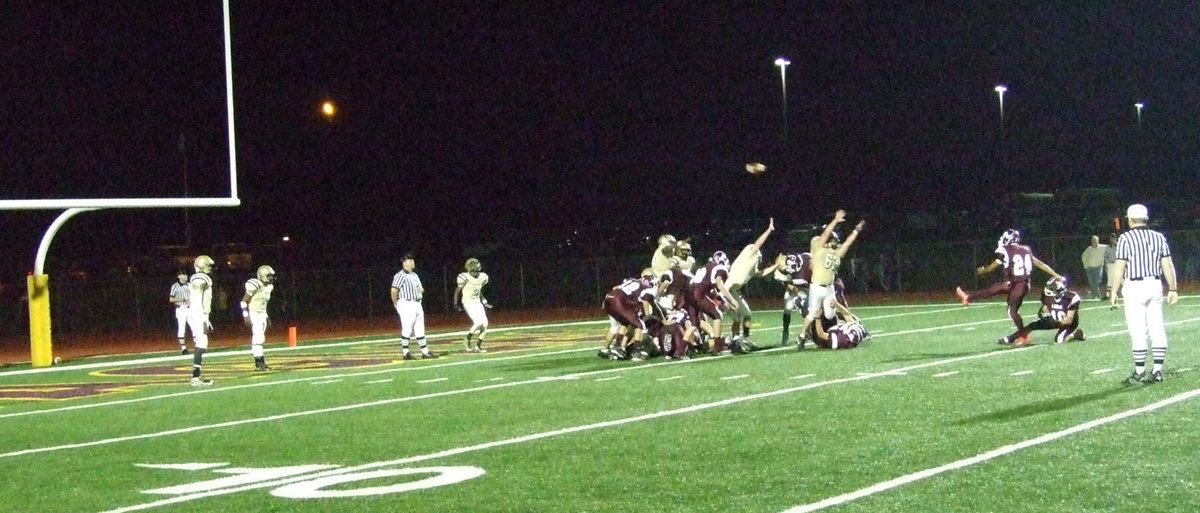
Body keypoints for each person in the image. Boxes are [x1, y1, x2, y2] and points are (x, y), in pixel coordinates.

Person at [956, 229, 1062, 346]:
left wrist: (983, 270)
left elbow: (993, 266)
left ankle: (1024, 336)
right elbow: (1041, 264)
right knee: (995, 288)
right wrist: (1056, 275)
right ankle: (968, 298)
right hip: (1020, 283)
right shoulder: (1026, 250)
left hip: (1019, 284)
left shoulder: (1007, 251)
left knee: (1012, 311)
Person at [1110, 204, 1178, 384]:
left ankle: (1139, 372)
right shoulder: (1158, 237)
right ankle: (1157, 370)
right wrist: (1172, 288)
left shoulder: (1125, 238)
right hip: (1154, 283)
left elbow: (1119, 266)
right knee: (1157, 328)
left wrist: (1114, 290)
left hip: (1134, 285)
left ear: (1130, 219)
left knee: (1138, 331)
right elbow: (1167, 265)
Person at [798, 209, 866, 349]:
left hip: (829, 288)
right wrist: (835, 220)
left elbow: (847, 243)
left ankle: (832, 334)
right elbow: (825, 235)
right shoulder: (819, 249)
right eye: (833, 240)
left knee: (829, 314)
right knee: (812, 314)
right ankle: (802, 336)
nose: (835, 242)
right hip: (816, 286)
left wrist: (856, 231)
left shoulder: (837, 253)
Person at [725, 218, 783, 349]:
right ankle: (731, 340)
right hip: (726, 288)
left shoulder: (751, 266)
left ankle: (743, 338)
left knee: (746, 315)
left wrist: (777, 265)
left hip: (734, 291)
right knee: (737, 317)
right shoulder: (749, 254)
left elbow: (761, 273)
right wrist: (769, 230)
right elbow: (758, 244)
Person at [1000, 276, 1085, 345]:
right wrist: (1042, 312)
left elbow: (1069, 320)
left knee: (1058, 341)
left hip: (1069, 323)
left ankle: (1076, 335)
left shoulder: (1071, 298)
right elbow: (1047, 304)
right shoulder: (1048, 296)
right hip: (1054, 318)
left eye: (1052, 288)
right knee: (1033, 325)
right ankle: (1011, 338)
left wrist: (1057, 322)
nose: (1049, 290)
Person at [390, 253, 436, 360]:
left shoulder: (414, 275)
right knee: (407, 328)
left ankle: (425, 352)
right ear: (404, 263)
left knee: (420, 328)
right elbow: (394, 290)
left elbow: (421, 288)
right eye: (410, 260)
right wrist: (395, 302)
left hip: (417, 303)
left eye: (412, 260)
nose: (413, 262)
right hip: (406, 303)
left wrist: (420, 290)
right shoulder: (399, 275)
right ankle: (406, 352)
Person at [186, 255, 216, 386]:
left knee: (202, 343)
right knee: (201, 343)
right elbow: (198, 288)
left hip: (199, 313)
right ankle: (195, 377)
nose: (210, 268)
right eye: (208, 265)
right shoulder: (200, 277)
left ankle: (197, 376)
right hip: (198, 313)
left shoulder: (202, 277)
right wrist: (204, 318)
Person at [241, 265, 276, 371]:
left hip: (261, 313)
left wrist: (266, 316)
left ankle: (261, 363)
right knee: (258, 337)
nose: (271, 278)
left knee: (260, 338)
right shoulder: (255, 285)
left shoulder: (269, 287)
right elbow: (243, 301)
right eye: (269, 276)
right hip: (253, 313)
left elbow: (263, 303)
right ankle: (259, 363)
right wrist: (246, 316)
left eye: (271, 276)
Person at [453, 257, 491, 353]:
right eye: (473, 270)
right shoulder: (464, 277)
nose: (475, 272)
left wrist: (485, 301)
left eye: (477, 270)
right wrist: (455, 304)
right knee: (478, 322)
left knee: (485, 324)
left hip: (477, 302)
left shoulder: (483, 277)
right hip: (468, 302)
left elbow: (478, 290)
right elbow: (457, 291)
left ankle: (478, 346)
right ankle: (467, 339)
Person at [169, 270, 191, 355]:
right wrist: (183, 299)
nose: (185, 276)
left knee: (194, 327)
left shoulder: (189, 285)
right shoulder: (175, 286)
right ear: (179, 276)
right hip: (181, 308)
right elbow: (171, 299)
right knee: (182, 328)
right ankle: (183, 348)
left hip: (190, 308)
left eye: (186, 274)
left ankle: (198, 347)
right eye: (183, 275)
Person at [1080, 235, 1107, 300]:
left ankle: (1095, 294)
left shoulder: (1103, 247)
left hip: (1098, 267)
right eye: (1093, 241)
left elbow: (1111, 248)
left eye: (1096, 240)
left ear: (1098, 241)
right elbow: (1083, 257)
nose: (1094, 242)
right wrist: (1086, 266)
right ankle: (1096, 295)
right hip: (1090, 268)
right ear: (1091, 242)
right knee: (1092, 283)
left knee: (1097, 281)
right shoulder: (1089, 249)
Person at [1103, 232, 1118, 300]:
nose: (1112, 240)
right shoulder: (1108, 247)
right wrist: (1106, 265)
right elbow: (1106, 257)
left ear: (1115, 239)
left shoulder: (1119, 246)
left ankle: (1127, 293)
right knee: (1110, 280)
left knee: (1121, 280)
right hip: (1111, 264)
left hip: (1118, 264)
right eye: (1111, 238)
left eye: (1113, 238)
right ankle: (1107, 295)